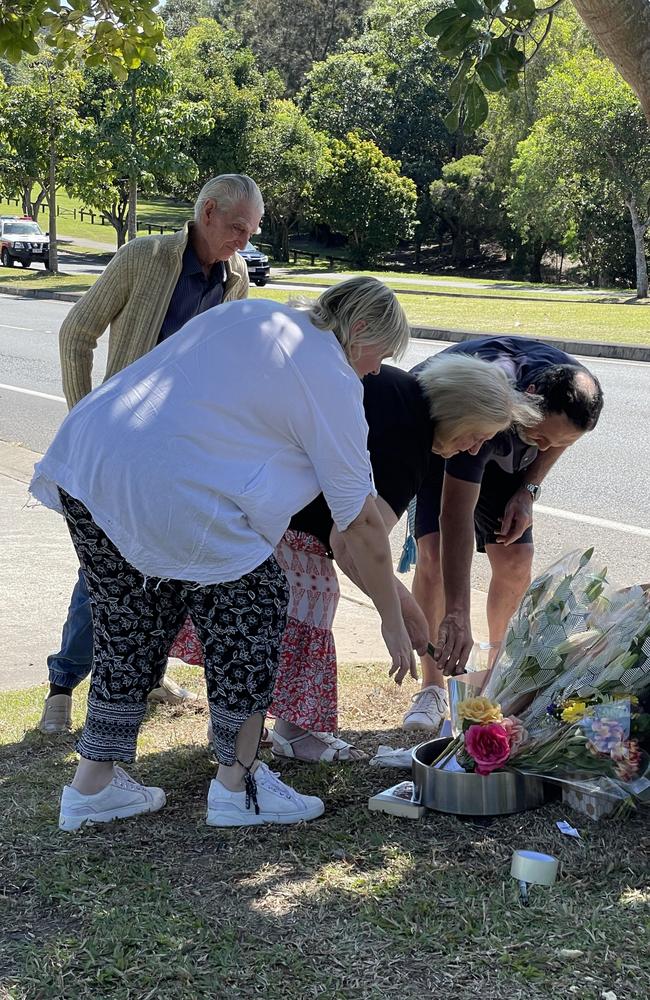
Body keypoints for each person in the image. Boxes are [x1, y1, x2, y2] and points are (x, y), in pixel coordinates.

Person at [30, 277, 421, 830]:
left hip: (89, 460)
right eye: (380, 352)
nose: (378, 368)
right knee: (258, 607)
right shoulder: (331, 375)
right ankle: (237, 787)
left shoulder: (255, 314)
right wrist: (391, 617)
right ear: (358, 330)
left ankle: (92, 785)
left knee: (131, 621)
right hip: (172, 488)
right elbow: (357, 520)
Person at [170, 353, 542, 762]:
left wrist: (403, 611)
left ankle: (268, 726)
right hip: (267, 509)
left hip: (243, 487)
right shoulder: (409, 438)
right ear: (456, 411)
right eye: (476, 435)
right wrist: (401, 614)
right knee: (295, 611)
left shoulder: (401, 399)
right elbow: (352, 542)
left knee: (300, 607)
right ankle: (252, 733)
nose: (475, 448)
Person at [39, 174, 262, 736]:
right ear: (207, 212)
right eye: (237, 227)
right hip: (120, 441)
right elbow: (76, 333)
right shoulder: (145, 256)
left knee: (163, 566)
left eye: (251, 230)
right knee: (105, 569)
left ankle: (147, 677)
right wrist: (85, 420)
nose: (244, 240)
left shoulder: (235, 279)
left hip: (183, 447)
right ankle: (62, 688)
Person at [403, 335, 604, 733]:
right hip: (445, 435)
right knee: (434, 556)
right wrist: (458, 613)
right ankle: (432, 685)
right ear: (529, 396)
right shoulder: (487, 405)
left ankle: (498, 678)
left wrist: (528, 490)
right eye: (542, 435)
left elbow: (557, 436)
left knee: (515, 560)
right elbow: (455, 513)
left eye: (558, 441)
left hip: (511, 433)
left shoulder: (573, 399)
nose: (547, 446)